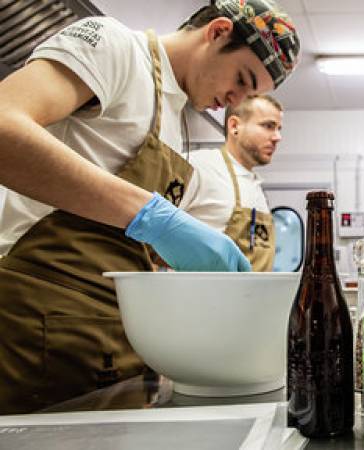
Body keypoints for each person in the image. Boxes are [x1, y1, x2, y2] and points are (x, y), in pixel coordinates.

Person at [0, 0, 300, 413]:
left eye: (250, 95)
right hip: (41, 326)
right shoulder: (117, 48)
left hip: (115, 345)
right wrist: (153, 217)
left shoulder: (176, 121)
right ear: (217, 32)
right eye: (241, 79)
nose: (235, 100)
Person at [180, 94, 284, 271]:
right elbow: (150, 237)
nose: (277, 137)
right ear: (234, 126)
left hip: (256, 297)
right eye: (268, 126)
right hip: (205, 297)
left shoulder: (255, 185)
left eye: (279, 128)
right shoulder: (198, 167)